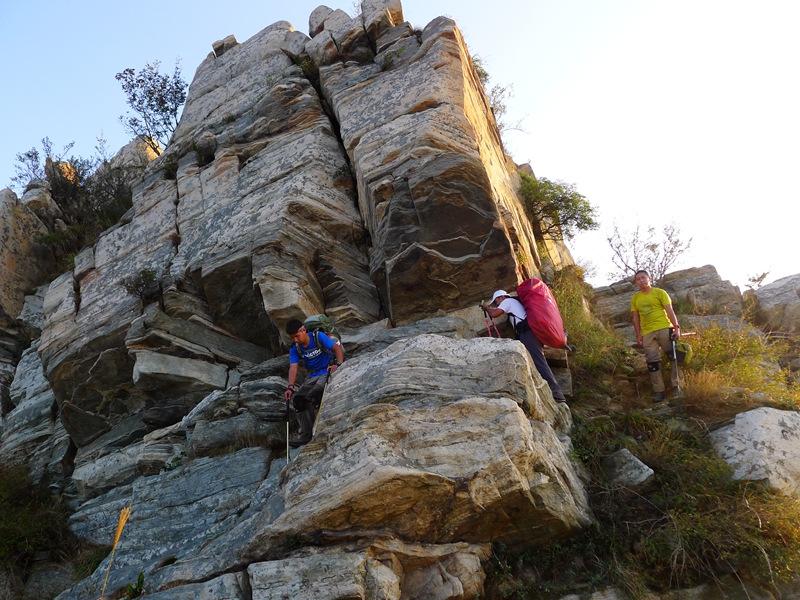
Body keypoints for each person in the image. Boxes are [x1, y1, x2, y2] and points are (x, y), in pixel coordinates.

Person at [481, 290, 567, 403]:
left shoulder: (508, 301)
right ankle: (548, 391)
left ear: (500, 298)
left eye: (496, 302)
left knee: (539, 362)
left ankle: (557, 393)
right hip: (529, 334)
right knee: (535, 362)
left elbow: (494, 314)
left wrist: (486, 308)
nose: (497, 304)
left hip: (528, 334)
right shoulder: (513, 303)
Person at [283, 318, 345, 446]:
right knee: (298, 400)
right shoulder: (295, 348)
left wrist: (338, 365)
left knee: (317, 391)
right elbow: (293, 367)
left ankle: (321, 428)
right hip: (312, 376)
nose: (295, 340)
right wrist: (290, 387)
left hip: (327, 370)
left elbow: (337, 348)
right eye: (292, 337)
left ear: (303, 330)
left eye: (297, 336)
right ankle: (305, 435)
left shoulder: (318, 336)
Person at [630, 269, 682, 401]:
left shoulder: (660, 292)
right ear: (636, 283)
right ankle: (659, 391)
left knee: (673, 356)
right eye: (638, 279)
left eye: (643, 278)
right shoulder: (636, 298)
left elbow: (670, 311)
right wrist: (638, 335)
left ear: (649, 278)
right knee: (652, 362)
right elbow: (635, 318)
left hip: (664, 327)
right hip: (647, 333)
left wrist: (676, 328)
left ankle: (676, 386)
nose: (641, 281)